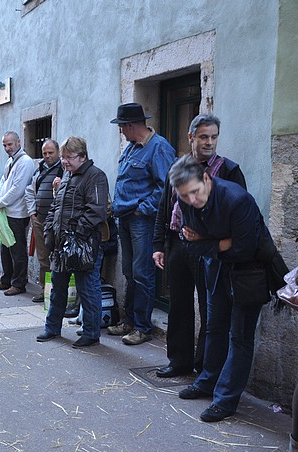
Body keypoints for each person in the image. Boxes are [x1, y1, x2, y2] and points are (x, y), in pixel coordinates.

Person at [170, 155, 266, 422]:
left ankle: (225, 400)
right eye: (185, 196)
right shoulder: (184, 198)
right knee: (214, 326)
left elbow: (245, 248)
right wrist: (219, 242)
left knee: (240, 336)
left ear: (207, 178)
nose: (192, 201)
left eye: (195, 192)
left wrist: (206, 239)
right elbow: (188, 242)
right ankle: (207, 381)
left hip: (249, 272)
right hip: (216, 269)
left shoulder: (237, 199)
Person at [153, 114, 247, 378]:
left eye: (214, 137)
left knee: (210, 309)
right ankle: (179, 361)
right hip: (178, 244)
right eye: (204, 137)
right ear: (191, 137)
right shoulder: (178, 168)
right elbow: (165, 208)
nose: (209, 142)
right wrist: (158, 245)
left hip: (209, 250)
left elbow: (236, 214)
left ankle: (206, 366)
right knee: (179, 304)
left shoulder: (228, 170)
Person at [109, 103, 176, 345]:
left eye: (121, 126)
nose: (120, 131)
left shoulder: (158, 148)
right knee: (129, 272)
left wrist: (141, 210)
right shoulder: (131, 148)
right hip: (125, 218)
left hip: (142, 222)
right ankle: (129, 321)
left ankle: (143, 326)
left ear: (131, 125)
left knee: (143, 274)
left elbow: (165, 188)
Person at [35, 137, 108, 347]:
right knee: (58, 287)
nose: (64, 161)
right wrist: (50, 230)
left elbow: (96, 211)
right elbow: (56, 205)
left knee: (88, 288)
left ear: (82, 156)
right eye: (64, 157)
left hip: (82, 244)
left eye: (69, 157)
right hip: (61, 244)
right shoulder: (67, 175)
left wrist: (75, 234)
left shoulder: (96, 176)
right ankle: (52, 327)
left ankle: (91, 332)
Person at [0, 131, 34, 296]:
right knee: (5, 248)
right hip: (5, 211)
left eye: (10, 144)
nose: (7, 148)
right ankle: (6, 279)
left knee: (17, 250)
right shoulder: (11, 161)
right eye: (4, 145)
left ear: (19, 142)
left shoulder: (25, 161)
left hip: (17, 212)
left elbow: (18, 188)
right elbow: (3, 182)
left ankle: (19, 283)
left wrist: (1, 202)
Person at [25, 139, 64, 303]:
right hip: (40, 221)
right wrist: (32, 213)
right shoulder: (39, 169)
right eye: (45, 153)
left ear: (58, 152)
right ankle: (45, 290)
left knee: (60, 257)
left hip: (59, 222)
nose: (47, 156)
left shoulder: (64, 169)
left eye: (51, 153)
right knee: (43, 258)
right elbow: (29, 191)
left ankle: (61, 292)